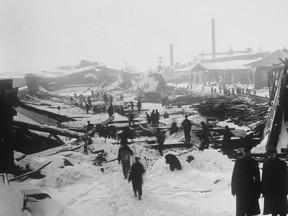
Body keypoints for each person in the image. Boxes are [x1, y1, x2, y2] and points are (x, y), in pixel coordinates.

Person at [231, 147, 261, 216]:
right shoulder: (238, 162)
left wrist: (258, 191)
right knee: (240, 211)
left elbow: (257, 178)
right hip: (240, 189)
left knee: (250, 211)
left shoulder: (253, 162)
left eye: (247, 152)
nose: (246, 153)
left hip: (251, 189)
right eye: (244, 152)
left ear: (250, 152)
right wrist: (233, 188)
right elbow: (235, 175)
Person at [262, 147, 288, 216]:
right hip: (271, 192)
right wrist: (264, 191)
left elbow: (286, 178)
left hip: (281, 191)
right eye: (270, 154)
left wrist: (286, 190)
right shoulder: (266, 165)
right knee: (274, 212)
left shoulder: (282, 164)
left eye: (273, 154)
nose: (272, 155)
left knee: (282, 212)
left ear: (275, 154)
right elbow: (264, 179)